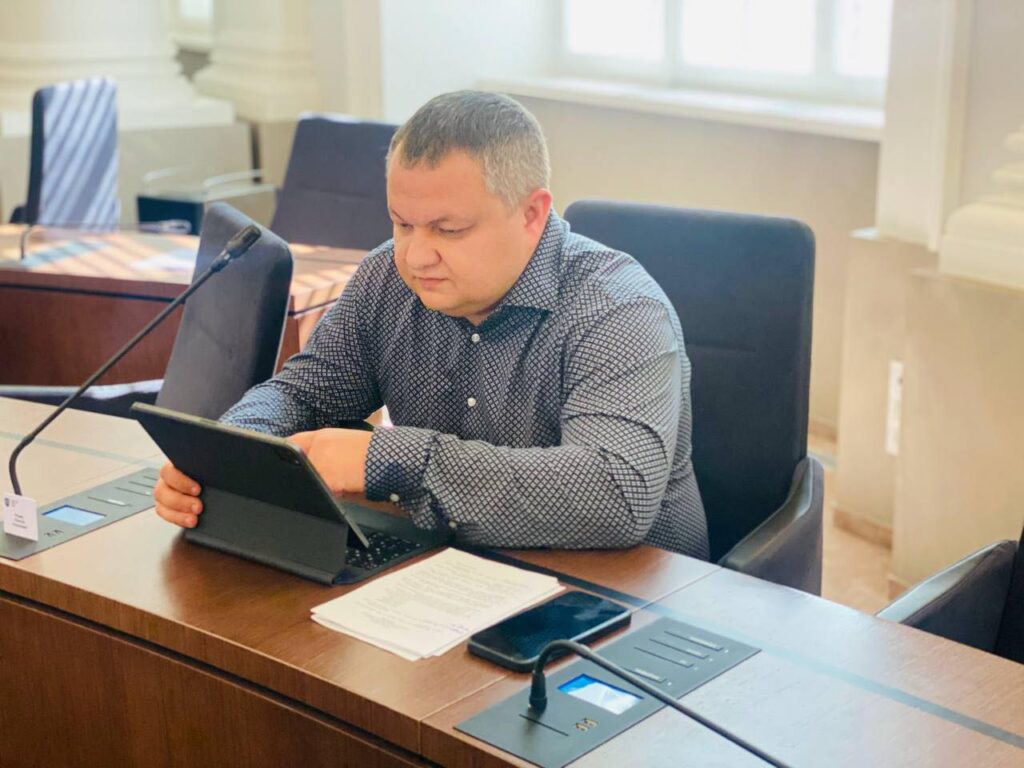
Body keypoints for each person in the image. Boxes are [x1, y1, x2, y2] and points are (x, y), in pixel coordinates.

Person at [154, 90, 709, 558]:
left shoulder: (618, 309)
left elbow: (614, 494)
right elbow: (303, 394)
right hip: (454, 570)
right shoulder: (386, 278)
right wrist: (226, 455)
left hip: (629, 596)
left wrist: (388, 459)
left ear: (531, 214)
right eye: (402, 224)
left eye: (448, 230)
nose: (416, 256)